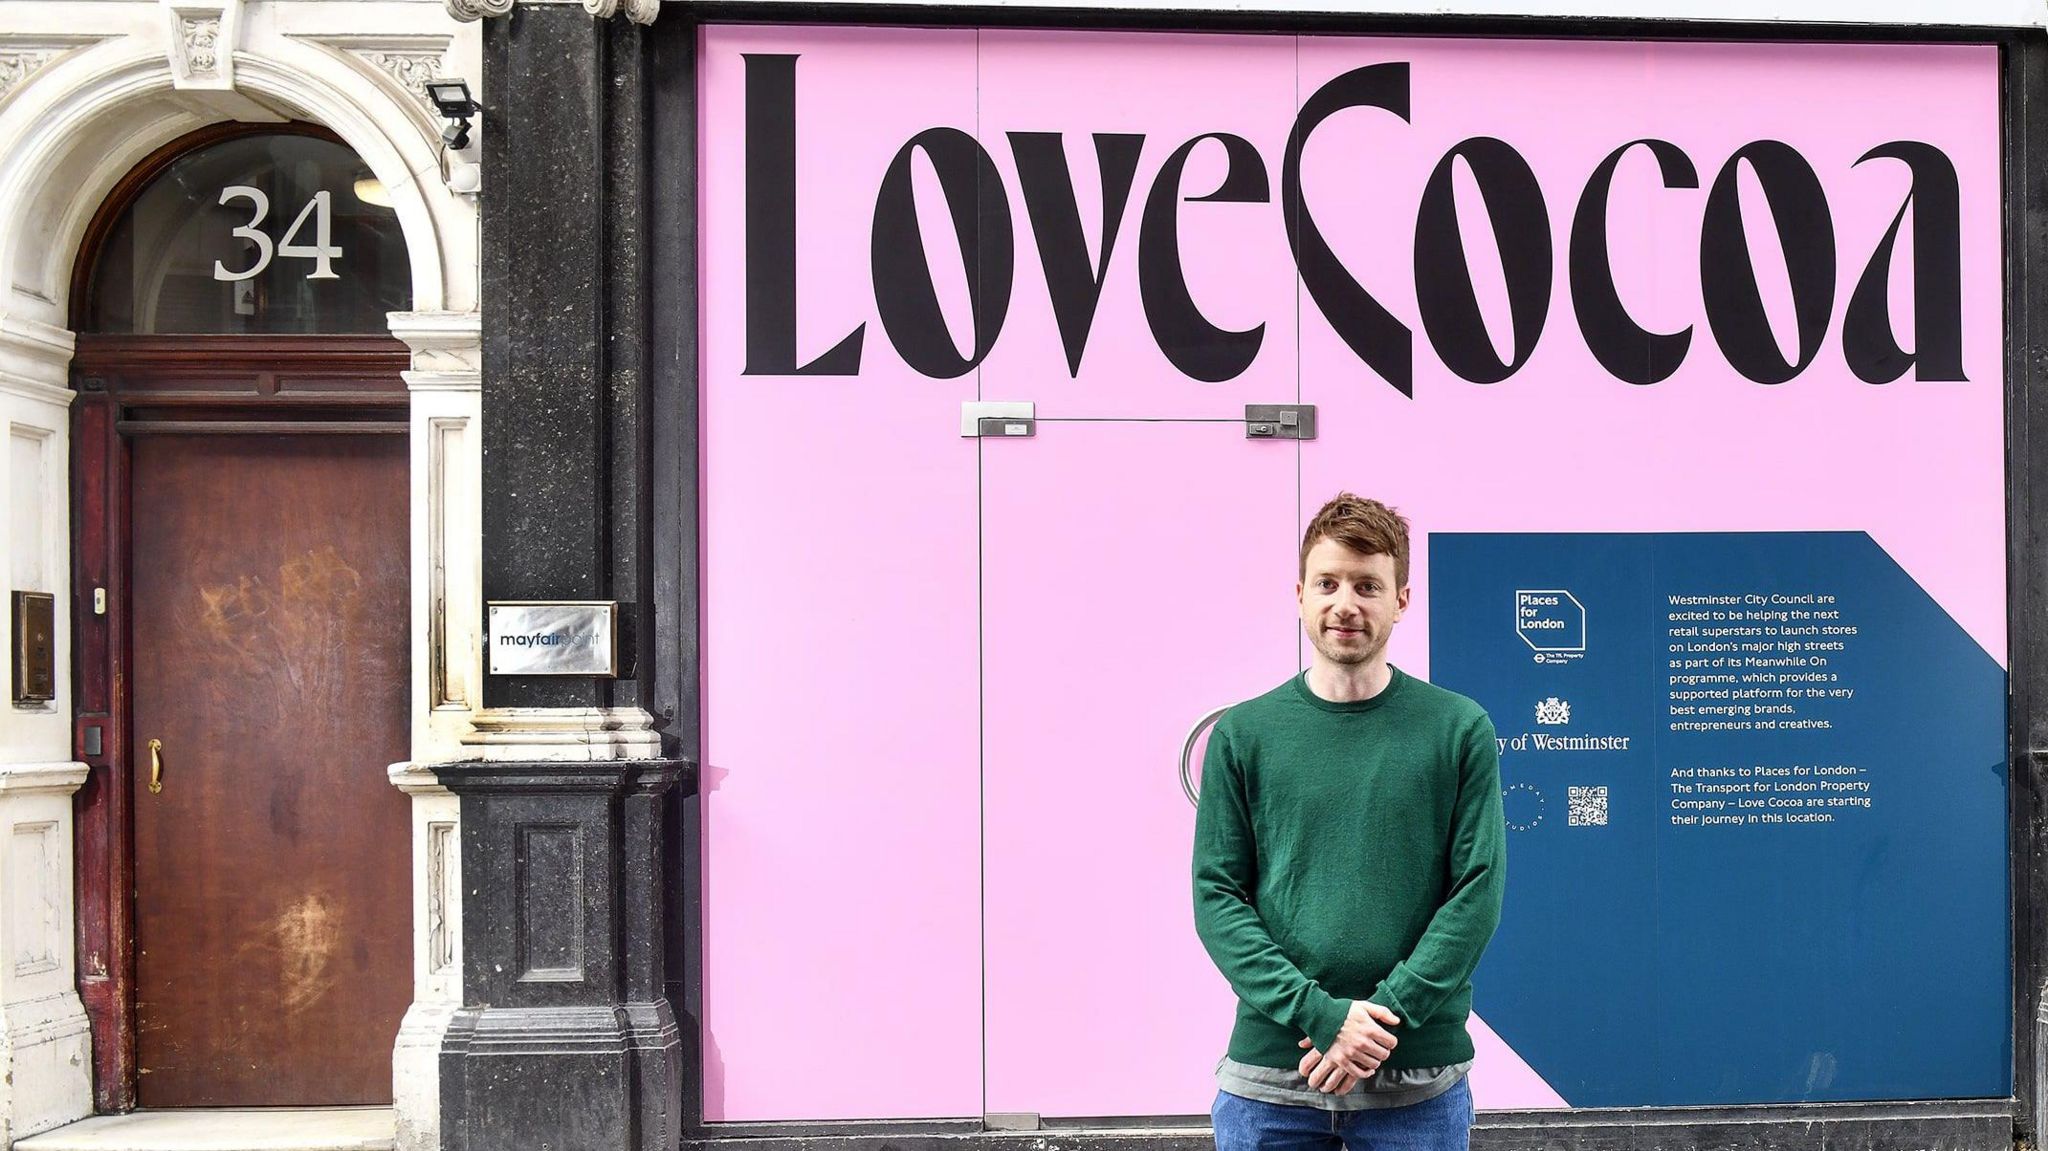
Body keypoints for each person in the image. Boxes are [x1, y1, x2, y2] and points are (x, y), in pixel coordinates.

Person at [1192, 493, 1506, 1151]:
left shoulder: (1457, 728)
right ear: (1300, 593)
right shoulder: (1245, 734)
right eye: (1328, 583)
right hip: (1273, 1080)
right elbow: (1217, 898)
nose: (1346, 603)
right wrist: (1321, 1014)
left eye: (1368, 585)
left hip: (1416, 1082)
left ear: (1402, 599)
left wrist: (1377, 1021)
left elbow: (1475, 892)